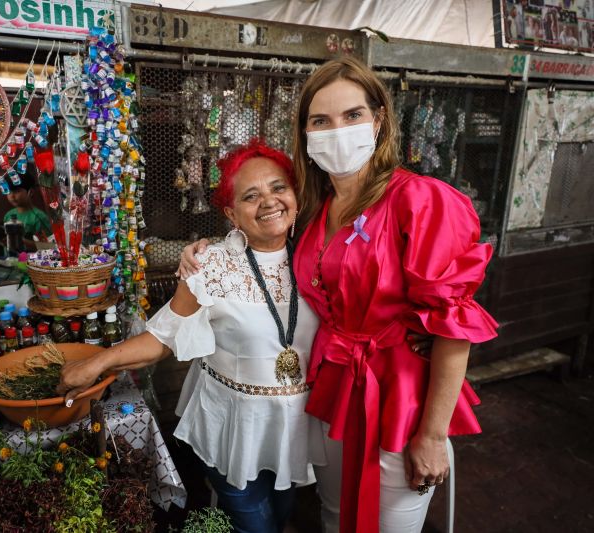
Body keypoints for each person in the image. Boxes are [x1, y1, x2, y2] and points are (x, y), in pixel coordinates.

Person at [179, 56, 498, 532]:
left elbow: (453, 322)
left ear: (379, 120)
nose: (338, 130)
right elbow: (262, 243)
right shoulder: (313, 210)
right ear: (306, 136)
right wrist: (204, 252)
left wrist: (432, 434)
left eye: (352, 116)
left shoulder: (419, 200)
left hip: (396, 394)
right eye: (320, 121)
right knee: (333, 514)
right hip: (333, 391)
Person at [58, 140, 329, 533]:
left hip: (292, 425)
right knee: (259, 525)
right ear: (231, 214)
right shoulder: (211, 264)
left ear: (296, 197)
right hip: (231, 427)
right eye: (250, 196)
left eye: (278, 188)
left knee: (282, 509)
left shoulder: (318, 256)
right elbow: (164, 337)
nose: (269, 201)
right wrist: (99, 362)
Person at [2, 170, 52, 251]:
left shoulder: (39, 217)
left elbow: (49, 246)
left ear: (30, 192)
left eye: (17, 191)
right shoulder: (8, 215)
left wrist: (22, 242)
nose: (12, 196)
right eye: (8, 192)